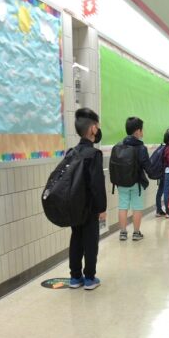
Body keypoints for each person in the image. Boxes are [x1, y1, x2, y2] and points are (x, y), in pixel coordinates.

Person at [68, 108, 107, 290]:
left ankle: (75, 278)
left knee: (76, 238)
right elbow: (97, 185)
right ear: (92, 129)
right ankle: (89, 278)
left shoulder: (71, 152)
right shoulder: (94, 154)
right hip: (90, 207)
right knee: (90, 241)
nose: (98, 130)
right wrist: (102, 208)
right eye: (97, 127)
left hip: (74, 206)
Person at [115, 117, 153, 242]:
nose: (143, 132)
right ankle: (136, 233)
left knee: (122, 206)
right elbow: (148, 167)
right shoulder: (141, 148)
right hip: (136, 183)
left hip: (121, 182)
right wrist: (156, 174)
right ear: (137, 131)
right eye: (142, 130)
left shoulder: (119, 146)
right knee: (137, 207)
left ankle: (123, 233)